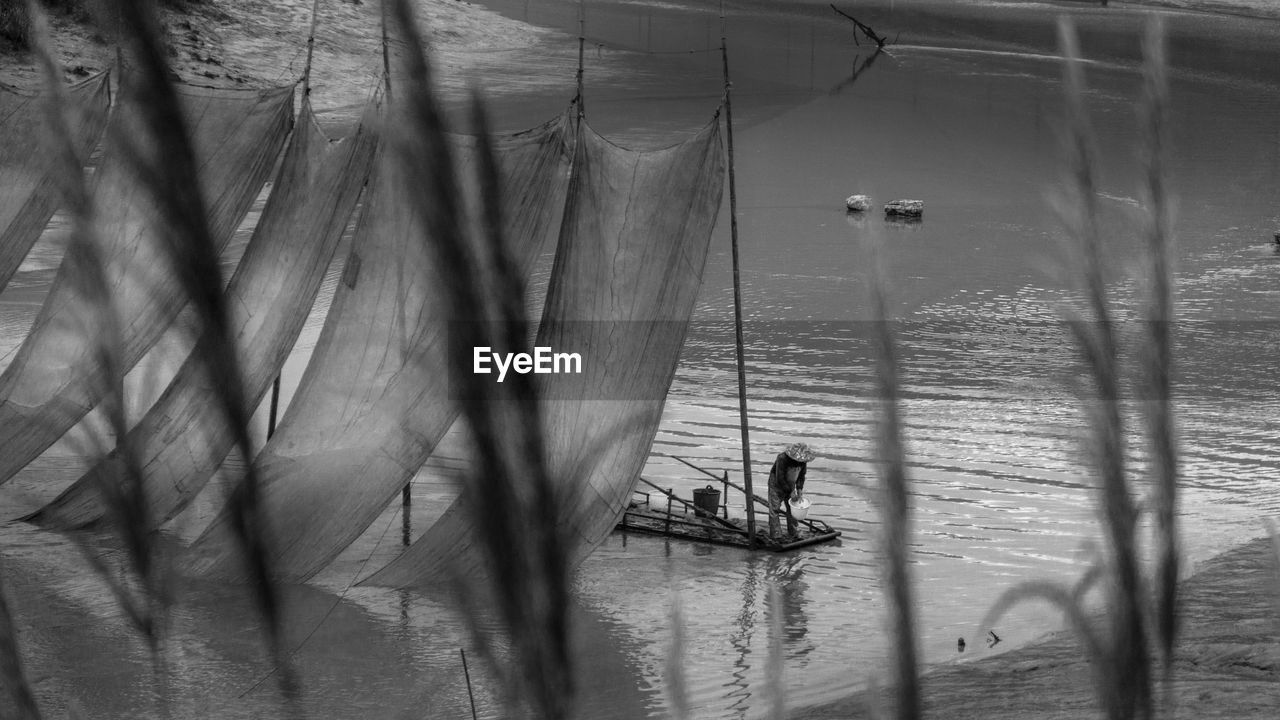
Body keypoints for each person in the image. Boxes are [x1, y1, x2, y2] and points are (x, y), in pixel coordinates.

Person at [767, 442, 816, 539]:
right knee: (775, 509)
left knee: (792, 508)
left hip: (791, 483)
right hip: (776, 484)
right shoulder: (782, 458)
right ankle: (776, 534)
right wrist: (790, 492)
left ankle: (793, 532)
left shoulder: (803, 462)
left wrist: (799, 489)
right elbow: (780, 478)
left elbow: (801, 476)